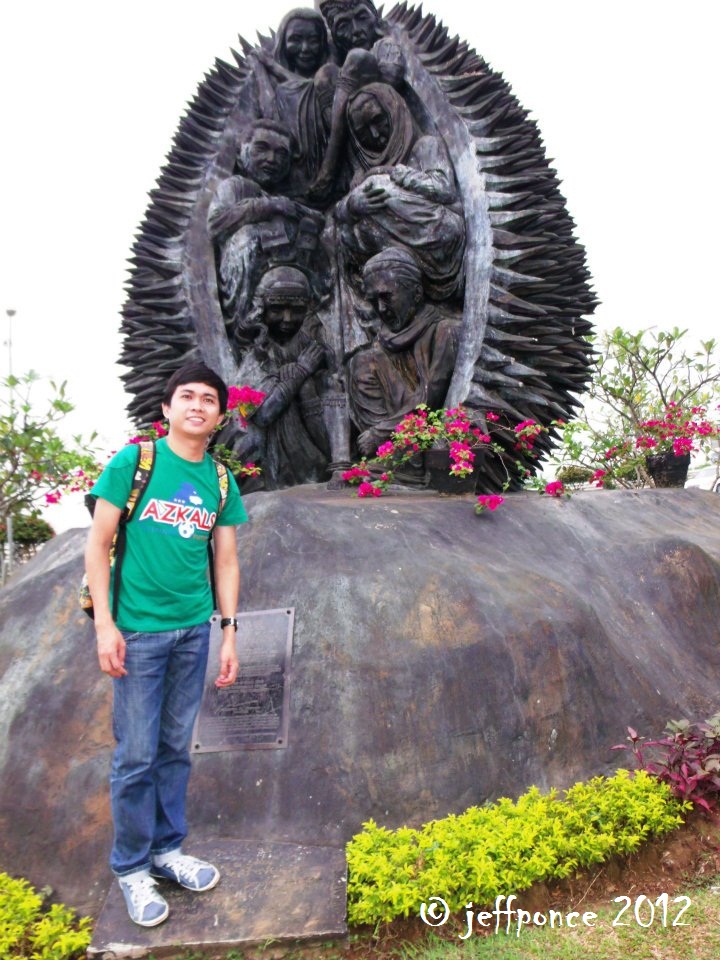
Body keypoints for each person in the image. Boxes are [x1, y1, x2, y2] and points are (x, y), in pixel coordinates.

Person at [85, 362, 248, 928]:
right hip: (137, 633)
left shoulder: (220, 481)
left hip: (192, 631)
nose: (197, 405)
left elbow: (226, 560)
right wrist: (105, 626)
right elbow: (98, 544)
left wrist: (228, 632)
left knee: (176, 747)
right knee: (136, 755)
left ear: (220, 416)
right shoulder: (135, 462)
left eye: (209, 399)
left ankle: (166, 850)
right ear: (167, 408)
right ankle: (131, 867)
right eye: (187, 396)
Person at [337, 82, 466, 301]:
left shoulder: (426, 146)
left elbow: (444, 189)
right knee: (348, 231)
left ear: (393, 110)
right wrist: (352, 205)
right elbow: (341, 218)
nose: (375, 134)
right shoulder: (362, 178)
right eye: (363, 132)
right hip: (401, 261)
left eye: (378, 120)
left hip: (442, 237)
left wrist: (397, 174)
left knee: (378, 186)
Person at [208, 119, 325, 340]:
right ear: (242, 152)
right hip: (252, 282)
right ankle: (245, 328)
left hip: (293, 284)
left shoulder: (290, 196)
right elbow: (216, 223)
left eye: (281, 154)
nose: (272, 159)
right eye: (262, 149)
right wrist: (269, 206)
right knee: (247, 239)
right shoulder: (236, 186)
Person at [224, 266, 331, 488]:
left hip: (313, 455)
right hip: (269, 460)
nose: (287, 319)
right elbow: (263, 414)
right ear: (262, 310)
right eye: (277, 310)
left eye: (297, 310)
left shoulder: (313, 348)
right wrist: (299, 373)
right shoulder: (258, 354)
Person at [348, 247, 460, 456]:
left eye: (386, 297)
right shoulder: (373, 354)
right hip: (395, 452)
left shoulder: (444, 332)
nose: (381, 308)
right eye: (373, 301)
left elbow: (432, 396)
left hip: (431, 445)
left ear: (416, 293)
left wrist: (381, 433)